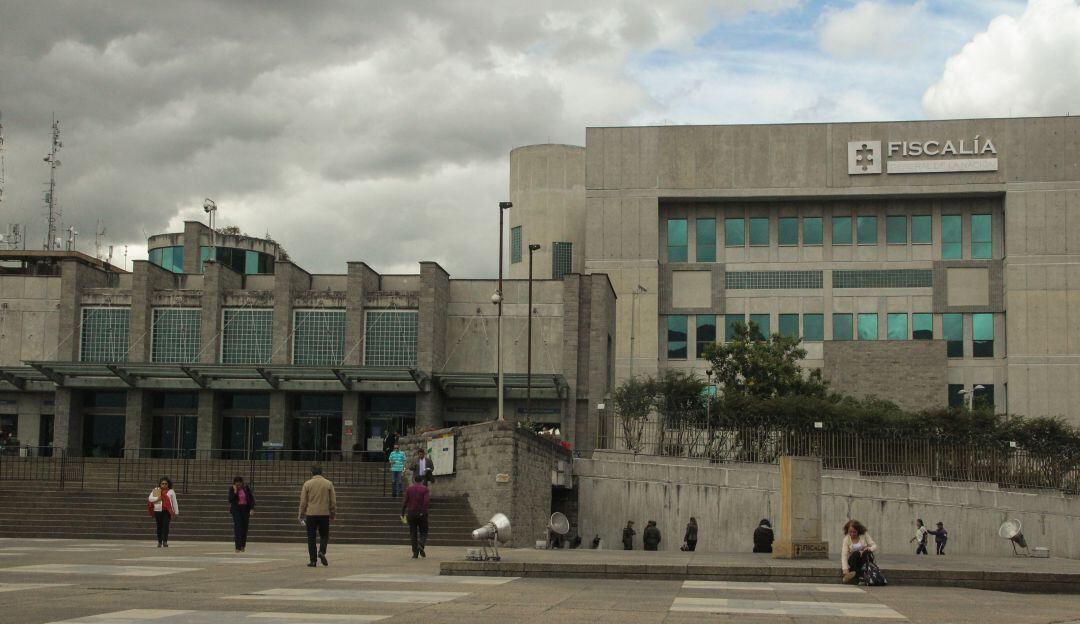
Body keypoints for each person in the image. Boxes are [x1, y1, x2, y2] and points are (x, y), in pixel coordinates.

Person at [298, 465, 337, 567]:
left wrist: (301, 514)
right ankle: (322, 551)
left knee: (311, 537)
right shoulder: (328, 483)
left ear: (312, 473)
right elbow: (333, 501)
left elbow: (303, 502)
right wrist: (333, 513)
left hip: (311, 514)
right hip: (324, 513)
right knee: (324, 535)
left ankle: (313, 560)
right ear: (321, 472)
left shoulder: (307, 484)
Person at [401, 473, 430, 558]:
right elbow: (426, 502)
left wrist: (402, 512)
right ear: (422, 481)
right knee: (424, 531)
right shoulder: (425, 489)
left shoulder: (409, 489)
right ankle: (421, 545)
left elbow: (405, 501)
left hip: (411, 513)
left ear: (414, 480)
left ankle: (415, 552)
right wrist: (423, 511)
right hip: (422, 514)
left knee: (413, 533)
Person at [840, 519, 878, 584]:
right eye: (850, 532)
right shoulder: (846, 539)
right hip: (854, 560)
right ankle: (855, 575)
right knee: (856, 553)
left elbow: (874, 546)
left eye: (854, 532)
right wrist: (845, 569)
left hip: (864, 559)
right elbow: (844, 554)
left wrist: (869, 548)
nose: (852, 534)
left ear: (858, 530)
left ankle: (863, 575)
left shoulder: (864, 535)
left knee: (866, 552)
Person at [147, 476, 179, 548]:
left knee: (166, 526)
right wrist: (157, 498)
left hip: (167, 511)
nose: (164, 485)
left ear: (168, 484)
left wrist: (176, 512)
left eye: (165, 484)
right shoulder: (156, 490)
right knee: (159, 526)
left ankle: (165, 541)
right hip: (158, 510)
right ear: (160, 484)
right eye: (162, 483)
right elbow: (150, 498)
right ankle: (159, 542)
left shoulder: (171, 491)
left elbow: (174, 502)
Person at [228, 476, 256, 553]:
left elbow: (251, 499)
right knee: (238, 527)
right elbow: (230, 499)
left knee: (244, 527)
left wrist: (252, 508)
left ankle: (242, 545)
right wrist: (235, 491)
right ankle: (237, 547)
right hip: (236, 510)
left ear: (242, 483)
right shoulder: (232, 489)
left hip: (245, 509)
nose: (238, 486)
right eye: (236, 485)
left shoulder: (246, 489)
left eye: (239, 484)